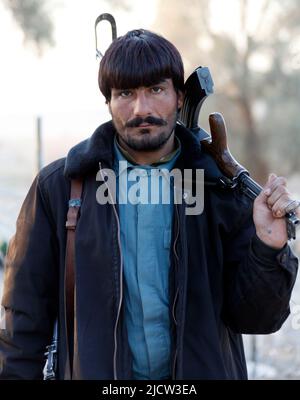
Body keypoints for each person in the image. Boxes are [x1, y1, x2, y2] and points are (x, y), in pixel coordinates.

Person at [0, 29, 298, 380]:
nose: (142, 109)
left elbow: (257, 318)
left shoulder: (219, 186)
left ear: (179, 97)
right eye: (125, 93)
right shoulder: (58, 189)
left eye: (156, 90)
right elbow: (23, 323)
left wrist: (267, 246)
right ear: (108, 103)